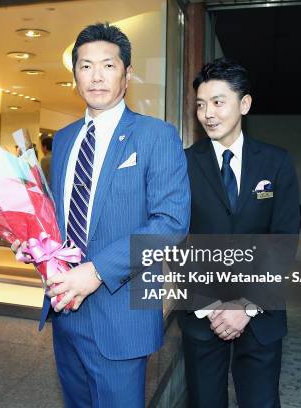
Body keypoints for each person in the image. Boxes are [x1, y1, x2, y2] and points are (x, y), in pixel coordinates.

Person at [43, 23, 190, 407]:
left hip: (121, 311)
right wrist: (34, 244)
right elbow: (58, 217)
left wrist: (95, 271)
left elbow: (171, 223)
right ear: (74, 74)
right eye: (85, 66)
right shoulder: (62, 139)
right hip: (65, 309)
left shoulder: (156, 135)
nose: (96, 76)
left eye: (108, 65)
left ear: (127, 74)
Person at [179, 58, 300, 408]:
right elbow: (175, 239)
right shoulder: (183, 163)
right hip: (203, 314)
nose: (208, 114)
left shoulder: (276, 162)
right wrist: (214, 307)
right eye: (201, 105)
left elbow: (284, 241)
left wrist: (245, 306)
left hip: (262, 315)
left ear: (244, 104)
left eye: (218, 102)